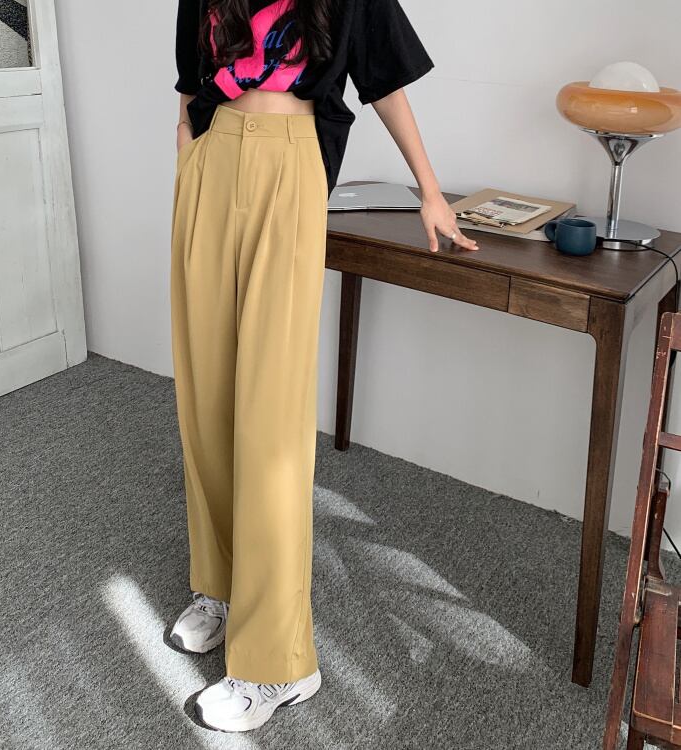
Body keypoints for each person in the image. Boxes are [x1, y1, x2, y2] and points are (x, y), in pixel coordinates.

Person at [168, 0, 479, 733]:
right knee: (205, 396)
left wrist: (430, 190)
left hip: (289, 157)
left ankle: (279, 665)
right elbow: (189, 85)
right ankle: (222, 587)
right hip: (211, 161)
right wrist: (187, 170)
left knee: (270, 417)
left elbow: (384, 80)